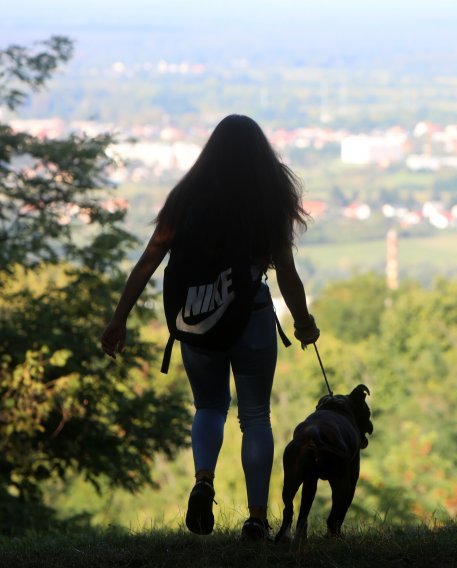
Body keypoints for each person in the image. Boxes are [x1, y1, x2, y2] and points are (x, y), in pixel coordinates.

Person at [101, 114, 320, 541]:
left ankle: (203, 481)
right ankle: (257, 517)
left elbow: (150, 259)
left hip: (196, 319)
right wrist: (304, 322)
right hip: (252, 317)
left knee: (208, 407)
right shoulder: (268, 200)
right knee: (255, 416)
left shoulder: (186, 198)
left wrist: (119, 318)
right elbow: (288, 275)